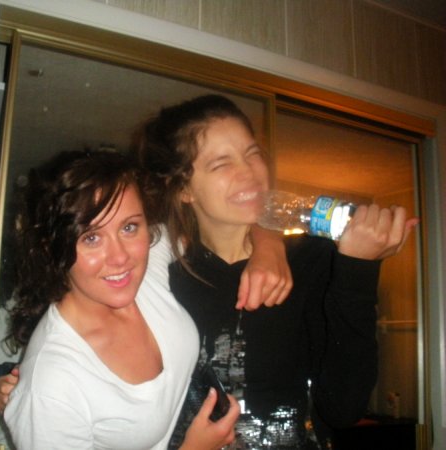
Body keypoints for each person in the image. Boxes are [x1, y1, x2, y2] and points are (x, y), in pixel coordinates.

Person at [134, 94, 418, 449]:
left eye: (252, 153)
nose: (249, 172)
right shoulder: (162, 278)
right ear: (182, 189)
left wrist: (359, 268)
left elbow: (344, 408)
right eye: (221, 163)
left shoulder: (315, 259)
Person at [1, 149, 241, 449]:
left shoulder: (147, 266)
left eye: (129, 227)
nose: (121, 257)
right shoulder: (52, 383)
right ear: (52, 249)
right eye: (91, 237)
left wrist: (270, 247)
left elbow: (219, 221)